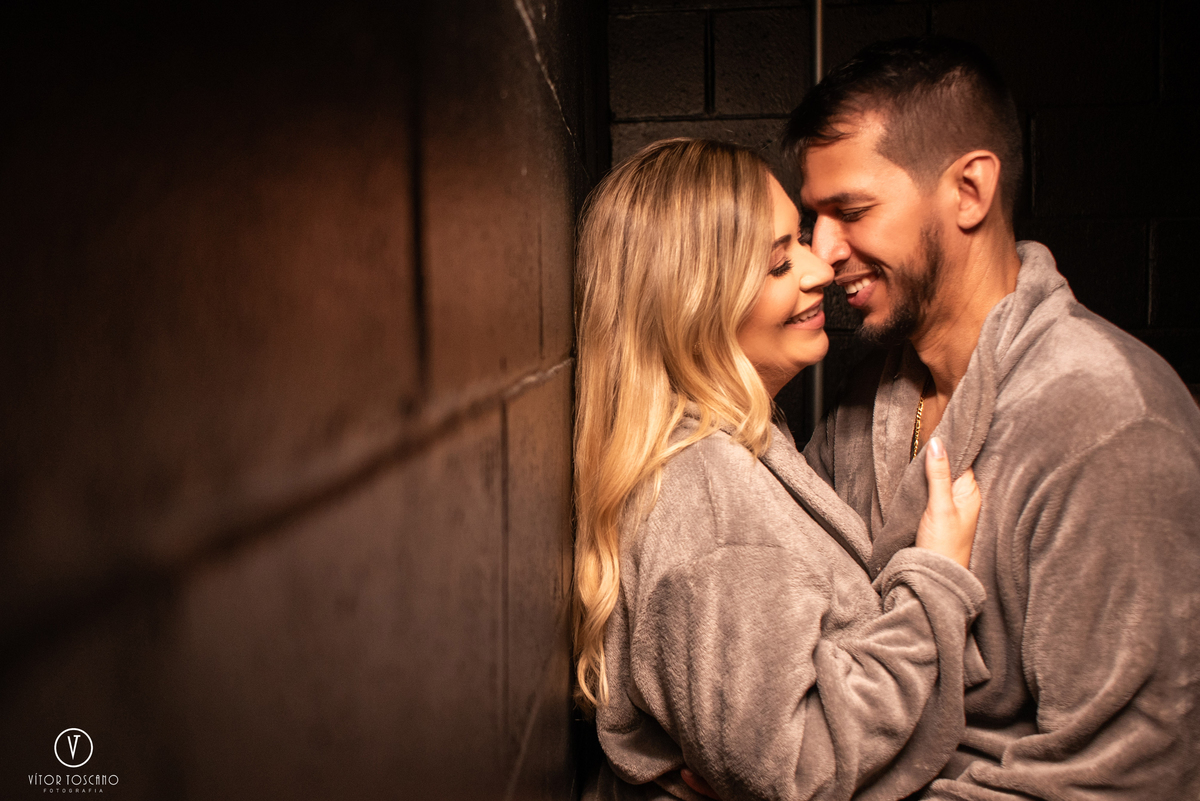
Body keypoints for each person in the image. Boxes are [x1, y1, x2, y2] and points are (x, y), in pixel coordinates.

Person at [782, 36, 1200, 799]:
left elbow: (1130, 779)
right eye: (815, 216)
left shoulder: (1110, 422)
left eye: (851, 211)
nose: (822, 250)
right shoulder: (864, 401)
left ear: (969, 190)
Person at [573, 137, 987, 801]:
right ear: (694, 304)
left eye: (798, 239)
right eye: (778, 262)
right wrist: (935, 580)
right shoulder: (708, 494)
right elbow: (798, 768)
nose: (819, 268)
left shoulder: (738, 445)